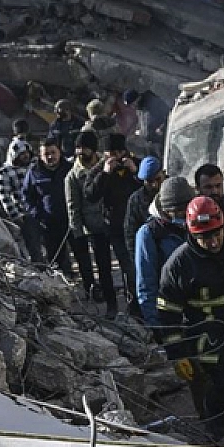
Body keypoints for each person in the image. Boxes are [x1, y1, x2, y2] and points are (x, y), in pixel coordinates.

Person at [157, 197, 224, 445]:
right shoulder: (179, 265)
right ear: (192, 234)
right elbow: (168, 312)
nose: (213, 242)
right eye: (205, 237)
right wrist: (177, 354)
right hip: (209, 345)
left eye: (217, 234)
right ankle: (213, 436)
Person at [90, 133, 142, 315]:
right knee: (128, 266)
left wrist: (136, 172)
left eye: (120, 152)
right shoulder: (99, 170)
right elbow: (91, 195)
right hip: (116, 227)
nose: (117, 157)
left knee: (140, 266)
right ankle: (132, 305)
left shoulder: (136, 163)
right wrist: (105, 173)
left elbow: (150, 187)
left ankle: (138, 304)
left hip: (138, 224)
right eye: (112, 153)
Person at [66, 131, 117, 315]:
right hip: (92, 227)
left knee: (115, 266)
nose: (81, 152)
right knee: (98, 267)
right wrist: (77, 232)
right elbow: (73, 206)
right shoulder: (73, 176)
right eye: (78, 148)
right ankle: (105, 301)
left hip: (112, 223)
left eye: (85, 147)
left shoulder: (107, 166)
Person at [134, 176, 193, 326]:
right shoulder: (149, 234)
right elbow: (146, 284)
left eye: (186, 209)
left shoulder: (196, 222)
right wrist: (156, 324)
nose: (183, 215)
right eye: (178, 211)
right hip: (170, 311)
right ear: (165, 210)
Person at [22, 136, 74, 277]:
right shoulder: (34, 172)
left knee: (81, 255)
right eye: (46, 154)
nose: (50, 157)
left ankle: (90, 286)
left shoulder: (69, 169)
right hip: (49, 222)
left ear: (59, 152)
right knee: (55, 257)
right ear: (40, 155)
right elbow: (27, 196)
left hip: (72, 219)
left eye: (53, 152)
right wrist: (37, 214)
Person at [0, 138, 45, 262]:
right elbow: (5, 197)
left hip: (42, 210)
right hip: (25, 214)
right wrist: (16, 216)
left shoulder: (36, 166)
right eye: (22, 154)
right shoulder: (5, 172)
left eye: (27, 153)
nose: (25, 156)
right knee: (34, 246)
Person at [125, 157, 164, 263]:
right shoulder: (136, 200)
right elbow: (130, 232)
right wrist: (136, 259)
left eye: (158, 179)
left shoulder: (174, 192)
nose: (155, 185)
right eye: (150, 181)